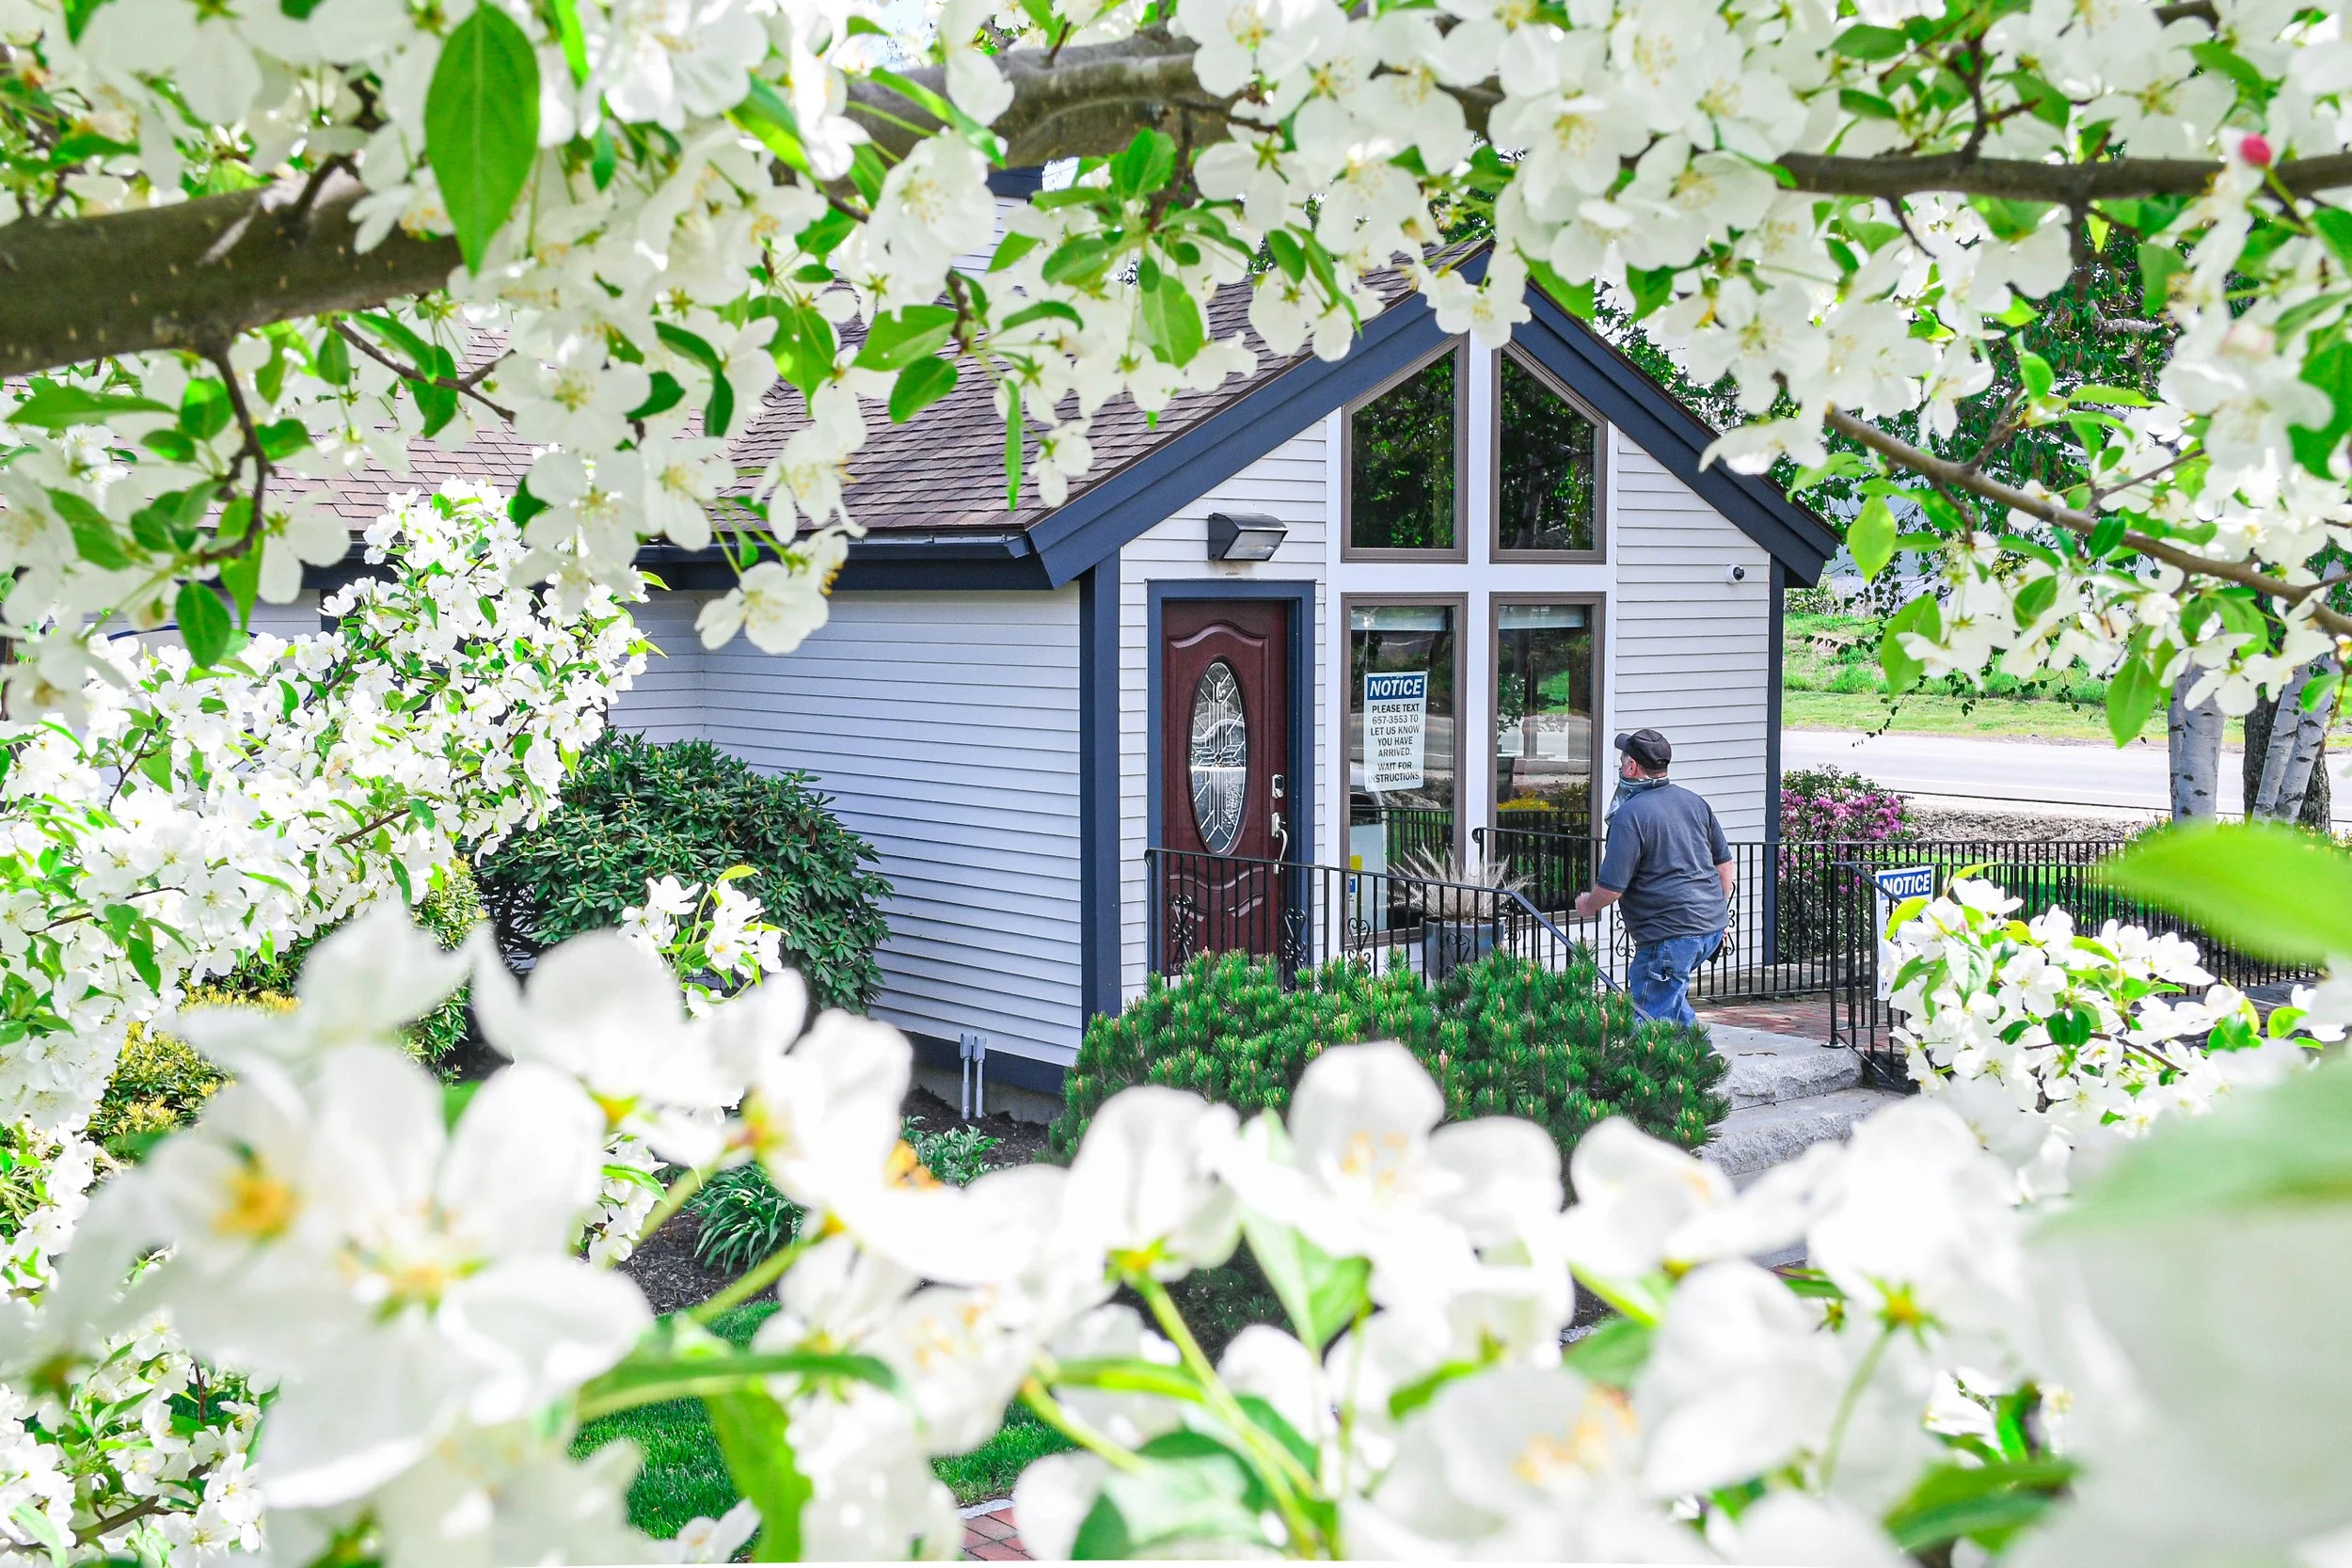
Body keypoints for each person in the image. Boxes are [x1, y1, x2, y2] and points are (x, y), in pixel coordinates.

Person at [1571, 728, 1735, 1027]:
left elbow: (1611, 888)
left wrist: (1587, 905)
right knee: (1669, 997)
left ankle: (1634, 1074)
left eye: (1623, 762)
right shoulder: (1694, 803)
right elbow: (1725, 866)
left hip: (1669, 936)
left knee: (1646, 1018)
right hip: (1711, 929)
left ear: (1632, 766)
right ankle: (1706, 1062)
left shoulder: (1630, 815)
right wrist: (1719, 913)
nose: (1621, 768)